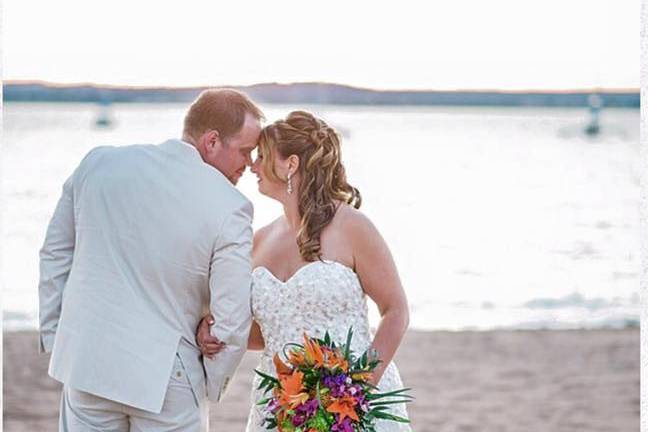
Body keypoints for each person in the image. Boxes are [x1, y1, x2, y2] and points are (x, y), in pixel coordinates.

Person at [38, 88, 263, 431]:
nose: (249, 164)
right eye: (245, 151)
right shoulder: (231, 206)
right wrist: (209, 383)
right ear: (212, 141)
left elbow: (55, 254)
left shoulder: (97, 164)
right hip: (167, 379)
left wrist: (59, 339)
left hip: (86, 363)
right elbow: (231, 320)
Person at [198, 111, 411, 431]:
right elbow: (259, 332)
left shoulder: (352, 226)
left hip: (349, 405)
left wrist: (355, 392)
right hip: (279, 405)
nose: (253, 166)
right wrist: (217, 332)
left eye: (262, 156)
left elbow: (396, 312)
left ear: (291, 164)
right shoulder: (259, 240)